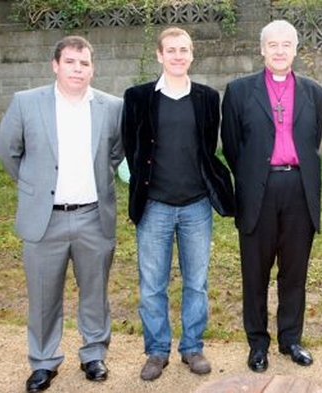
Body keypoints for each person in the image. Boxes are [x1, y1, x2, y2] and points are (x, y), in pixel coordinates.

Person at [0, 36, 122, 392]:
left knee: (95, 292)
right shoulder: (26, 103)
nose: (77, 69)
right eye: (70, 62)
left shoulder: (111, 107)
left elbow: (116, 152)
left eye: (84, 63)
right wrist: (33, 185)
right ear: (55, 65)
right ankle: (43, 361)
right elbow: (8, 150)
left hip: (93, 218)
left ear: (93, 68)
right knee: (42, 295)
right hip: (44, 219)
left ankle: (93, 354)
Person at [121, 27, 235, 381]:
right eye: (170, 50)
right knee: (152, 284)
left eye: (183, 50)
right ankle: (157, 351)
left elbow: (206, 146)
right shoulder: (138, 97)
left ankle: (192, 346)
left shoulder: (206, 97)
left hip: (196, 206)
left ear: (192, 54)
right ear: (159, 55)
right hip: (154, 205)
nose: (177, 56)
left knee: (196, 282)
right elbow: (131, 146)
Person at [221, 19, 322, 373]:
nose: (280, 51)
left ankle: (291, 339)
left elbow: (312, 142)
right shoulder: (238, 90)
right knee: (255, 271)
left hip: (298, 189)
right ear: (262, 49)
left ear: (296, 49)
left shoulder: (313, 92)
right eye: (273, 45)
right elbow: (233, 146)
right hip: (258, 191)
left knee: (294, 271)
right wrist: (252, 176)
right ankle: (257, 343)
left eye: (286, 45)